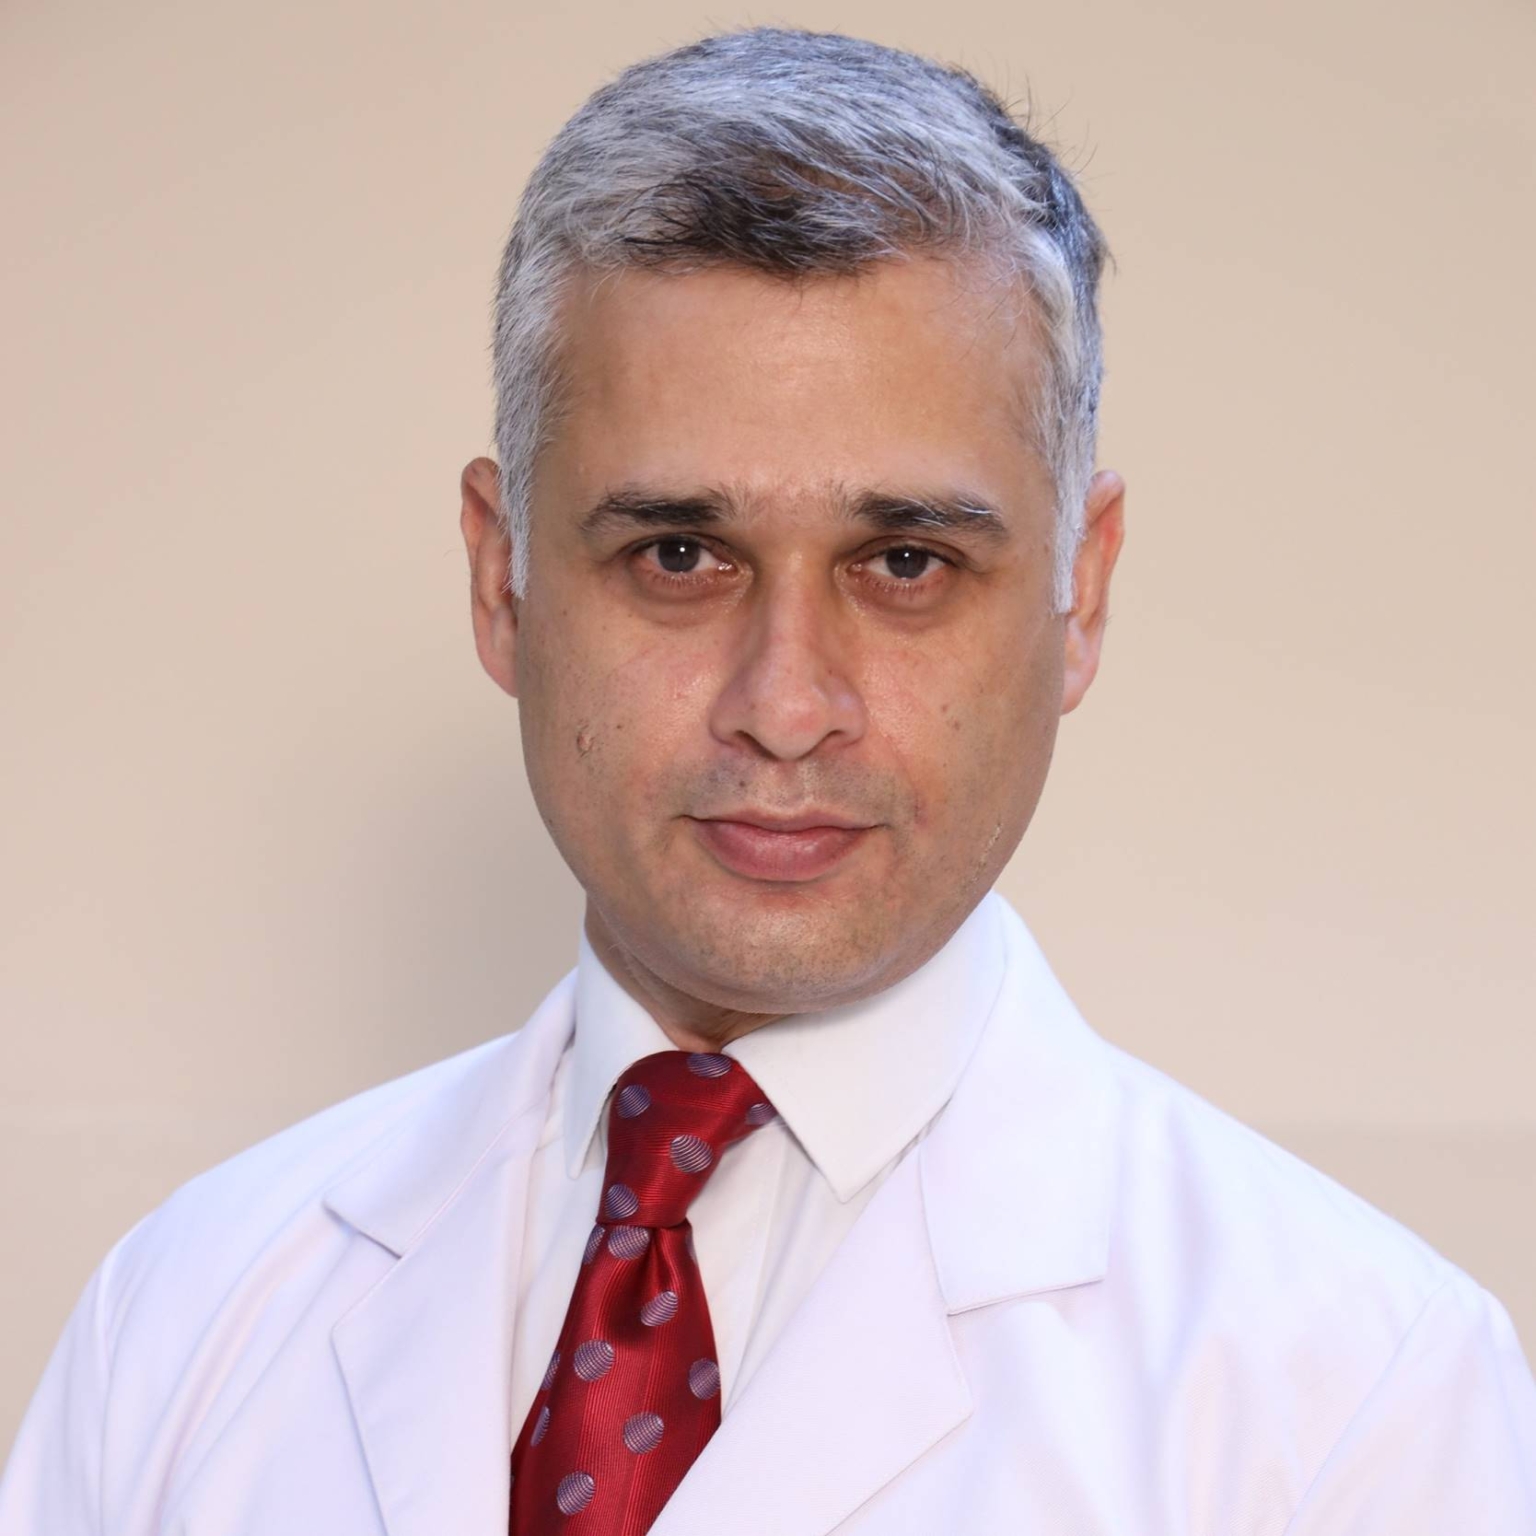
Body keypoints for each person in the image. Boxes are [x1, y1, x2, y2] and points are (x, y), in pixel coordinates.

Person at [3, 23, 1532, 1535]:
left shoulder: (1358, 1406)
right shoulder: (180, 1324)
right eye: (679, 554)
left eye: (906, 561)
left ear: (1082, 593)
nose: (786, 708)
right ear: (499, 578)